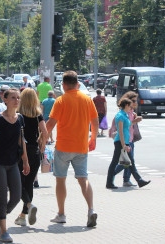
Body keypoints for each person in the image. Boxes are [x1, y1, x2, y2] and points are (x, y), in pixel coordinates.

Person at [45, 71, 99, 227]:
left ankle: (61, 214)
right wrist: (93, 138)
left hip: (63, 147)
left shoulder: (60, 101)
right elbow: (95, 121)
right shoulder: (87, 100)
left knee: (60, 180)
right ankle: (90, 209)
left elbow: (50, 124)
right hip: (81, 147)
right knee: (83, 179)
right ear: (77, 84)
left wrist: (42, 140)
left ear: (63, 85)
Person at [0, 88, 30, 243]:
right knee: (3, 197)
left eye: (18, 98)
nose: (16, 100)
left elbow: (21, 140)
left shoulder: (20, 118)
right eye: (13, 98)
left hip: (13, 163)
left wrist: (25, 160)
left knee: (16, 196)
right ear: (5, 99)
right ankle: (3, 231)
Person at [14, 88, 48, 227]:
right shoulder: (37, 115)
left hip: (20, 151)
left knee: (18, 183)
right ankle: (23, 215)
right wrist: (41, 143)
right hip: (34, 151)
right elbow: (45, 132)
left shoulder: (18, 115)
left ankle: (28, 205)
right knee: (29, 184)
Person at [106, 97, 150, 189]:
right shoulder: (120, 116)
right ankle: (109, 183)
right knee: (115, 162)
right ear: (126, 105)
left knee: (130, 162)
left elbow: (128, 124)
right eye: (130, 106)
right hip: (120, 142)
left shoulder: (125, 115)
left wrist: (135, 121)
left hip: (125, 142)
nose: (131, 108)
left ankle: (140, 181)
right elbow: (120, 131)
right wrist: (124, 145)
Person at [113, 91, 143, 187]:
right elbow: (125, 126)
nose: (135, 103)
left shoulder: (131, 113)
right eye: (133, 101)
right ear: (127, 102)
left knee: (128, 162)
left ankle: (127, 180)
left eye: (136, 101)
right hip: (125, 141)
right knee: (126, 162)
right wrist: (135, 121)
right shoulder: (124, 114)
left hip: (130, 139)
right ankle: (112, 174)